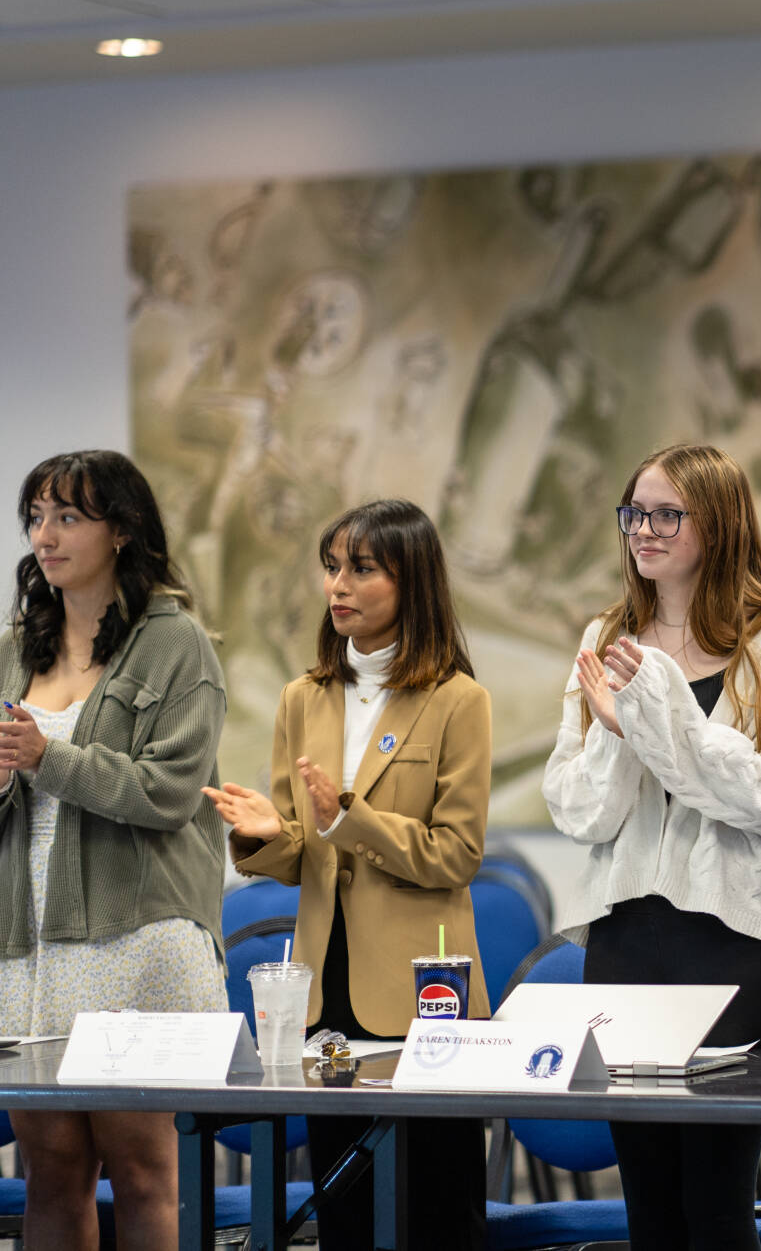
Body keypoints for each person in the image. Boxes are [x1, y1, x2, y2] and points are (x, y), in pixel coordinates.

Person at [543, 443, 761, 1251]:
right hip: (627, 940)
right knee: (652, 1214)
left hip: (734, 944)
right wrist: (616, 733)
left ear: (720, 521)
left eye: (668, 513)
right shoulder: (608, 633)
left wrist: (660, 717)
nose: (645, 530)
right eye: (635, 512)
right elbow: (578, 809)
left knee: (715, 1206)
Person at [207, 499, 491, 1251]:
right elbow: (307, 851)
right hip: (324, 998)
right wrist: (267, 836)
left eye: (362, 568)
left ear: (412, 582)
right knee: (348, 1219)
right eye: (333, 566)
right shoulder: (304, 697)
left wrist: (348, 818)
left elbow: (456, 853)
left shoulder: (458, 699)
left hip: (424, 993)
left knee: (436, 1212)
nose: (339, 584)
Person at [0, 449, 228, 1251]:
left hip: (138, 942)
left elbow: (170, 793)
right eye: (35, 516)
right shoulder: (14, 646)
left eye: (68, 515)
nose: (44, 534)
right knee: (50, 1176)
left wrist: (47, 758)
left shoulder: (176, 644)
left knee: (141, 1173)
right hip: (29, 949)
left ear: (123, 530)